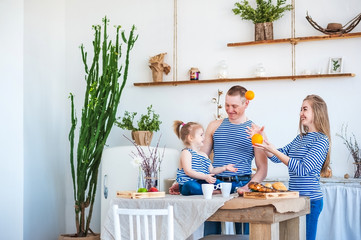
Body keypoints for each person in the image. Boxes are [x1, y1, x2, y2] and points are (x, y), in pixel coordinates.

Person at [248, 94, 330, 240]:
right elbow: (276, 157)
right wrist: (263, 141)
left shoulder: (322, 140)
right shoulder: (300, 138)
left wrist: (273, 150)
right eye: (301, 109)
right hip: (294, 199)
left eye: (305, 109)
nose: (301, 113)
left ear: (317, 112)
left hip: (311, 201)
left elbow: (302, 169)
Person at [201, 85, 268, 235]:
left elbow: (262, 169)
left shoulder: (255, 131)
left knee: (244, 235)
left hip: (242, 185)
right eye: (227, 105)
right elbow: (202, 158)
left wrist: (248, 187)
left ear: (246, 104)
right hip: (216, 184)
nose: (230, 109)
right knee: (211, 234)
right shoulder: (214, 126)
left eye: (234, 106)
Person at [173, 120, 237, 196]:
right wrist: (205, 177)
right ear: (191, 138)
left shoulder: (203, 155)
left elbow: (212, 170)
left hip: (203, 181)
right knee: (190, 186)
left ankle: (210, 190)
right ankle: (214, 191)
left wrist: (225, 167)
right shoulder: (186, 152)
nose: (204, 137)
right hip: (188, 183)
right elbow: (188, 171)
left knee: (231, 186)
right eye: (201, 135)